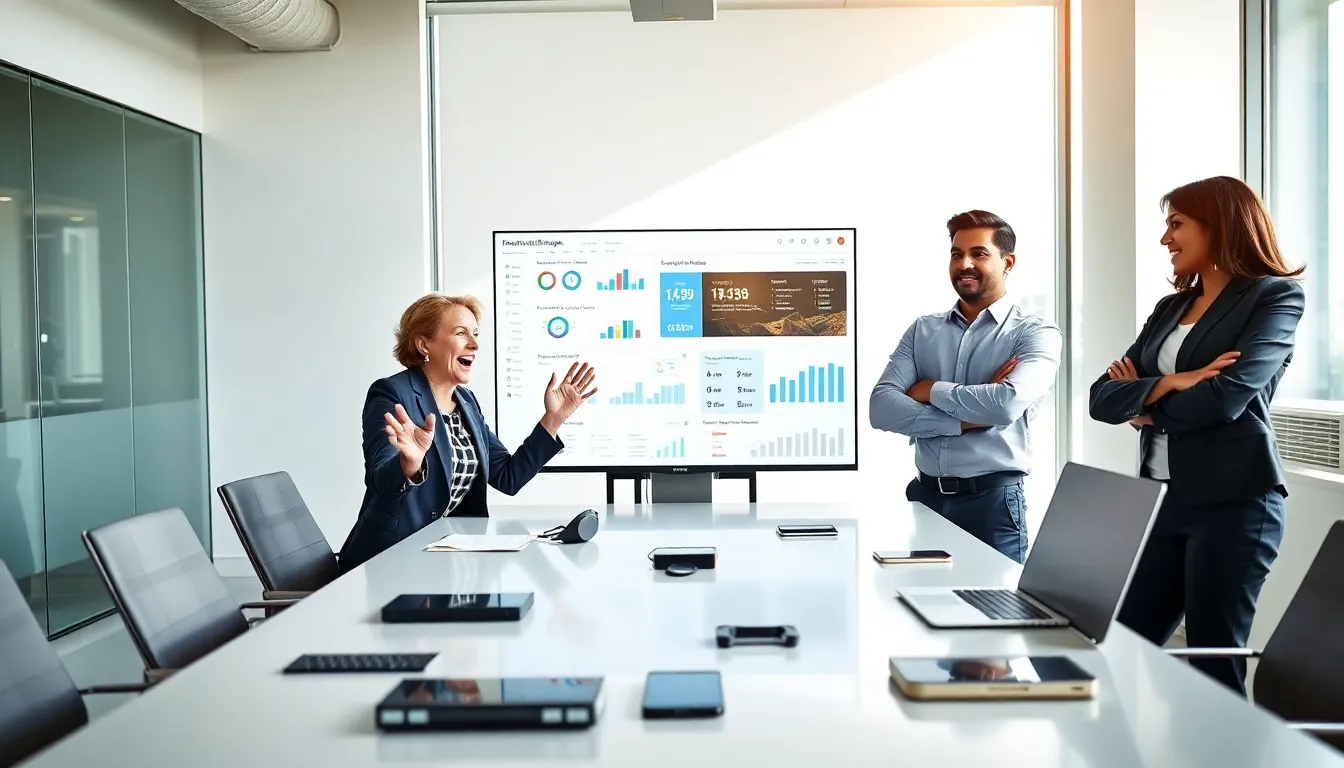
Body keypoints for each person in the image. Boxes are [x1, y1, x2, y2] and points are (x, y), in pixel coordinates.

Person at [1089, 176, 1305, 696]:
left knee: (1213, 664)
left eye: (1177, 224)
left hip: (1234, 506)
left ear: (1221, 225)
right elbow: (1100, 398)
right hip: (1161, 502)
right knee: (1118, 647)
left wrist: (1146, 407)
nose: (1166, 239)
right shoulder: (1169, 309)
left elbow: (1227, 398)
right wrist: (1169, 382)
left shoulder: (1274, 297)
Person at [338, 293, 597, 572]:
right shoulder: (392, 393)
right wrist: (409, 465)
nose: (474, 344)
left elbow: (508, 477)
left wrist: (553, 419)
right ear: (424, 343)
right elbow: (380, 478)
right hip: (389, 559)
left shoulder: (467, 402)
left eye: (475, 334)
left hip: (444, 558)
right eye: (461, 333)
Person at [870, 210, 1062, 563]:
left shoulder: (1034, 334)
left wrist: (930, 390)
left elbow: (1005, 405)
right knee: (920, 606)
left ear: (1008, 262)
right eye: (957, 254)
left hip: (991, 505)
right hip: (924, 499)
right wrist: (967, 419)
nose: (965, 264)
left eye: (979, 253)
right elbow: (880, 407)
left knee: (996, 612)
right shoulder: (922, 330)